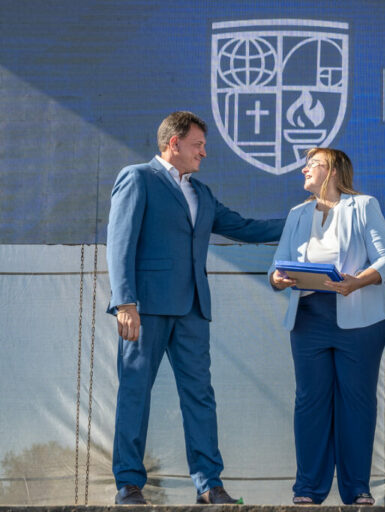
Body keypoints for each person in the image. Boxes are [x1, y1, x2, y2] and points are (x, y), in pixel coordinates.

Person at [106, 111, 284, 505]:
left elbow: (244, 227)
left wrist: (302, 221)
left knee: (200, 396)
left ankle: (209, 485)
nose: (204, 152)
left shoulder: (200, 192)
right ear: (174, 144)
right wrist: (125, 303)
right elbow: (119, 243)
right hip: (145, 307)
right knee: (135, 392)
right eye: (198, 145)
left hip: (192, 309)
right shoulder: (138, 178)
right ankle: (129, 483)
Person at [268, 148, 385, 506]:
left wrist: (359, 281)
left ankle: (357, 487)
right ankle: (308, 488)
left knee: (356, 403)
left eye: (313, 165)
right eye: (305, 166)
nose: (305, 171)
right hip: (309, 317)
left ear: (334, 171)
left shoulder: (364, 205)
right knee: (310, 402)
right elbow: (278, 264)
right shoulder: (297, 213)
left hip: (360, 319)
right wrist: (277, 279)